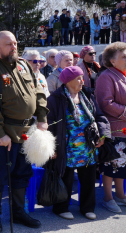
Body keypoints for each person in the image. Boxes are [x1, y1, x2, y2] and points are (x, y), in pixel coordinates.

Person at [0, 31, 49, 232]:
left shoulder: (24, 65)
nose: (14, 47)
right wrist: (0, 134)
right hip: (4, 135)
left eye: (15, 43)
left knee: (22, 173)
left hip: (26, 132)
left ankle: (18, 212)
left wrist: (42, 117)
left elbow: (39, 91)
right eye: (8, 44)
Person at [47, 66, 110, 220]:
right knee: (65, 179)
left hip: (87, 145)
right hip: (66, 146)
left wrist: (103, 135)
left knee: (88, 179)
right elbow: (48, 124)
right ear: (68, 81)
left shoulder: (87, 95)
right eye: (78, 78)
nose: (83, 81)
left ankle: (87, 208)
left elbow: (99, 116)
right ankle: (61, 208)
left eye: (82, 77)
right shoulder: (55, 99)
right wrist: (51, 147)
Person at [95, 42, 126, 213]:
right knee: (111, 163)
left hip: (124, 129)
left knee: (122, 164)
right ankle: (108, 197)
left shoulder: (123, 75)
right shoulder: (106, 76)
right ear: (112, 61)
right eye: (123, 56)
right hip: (113, 129)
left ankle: (120, 195)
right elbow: (105, 104)